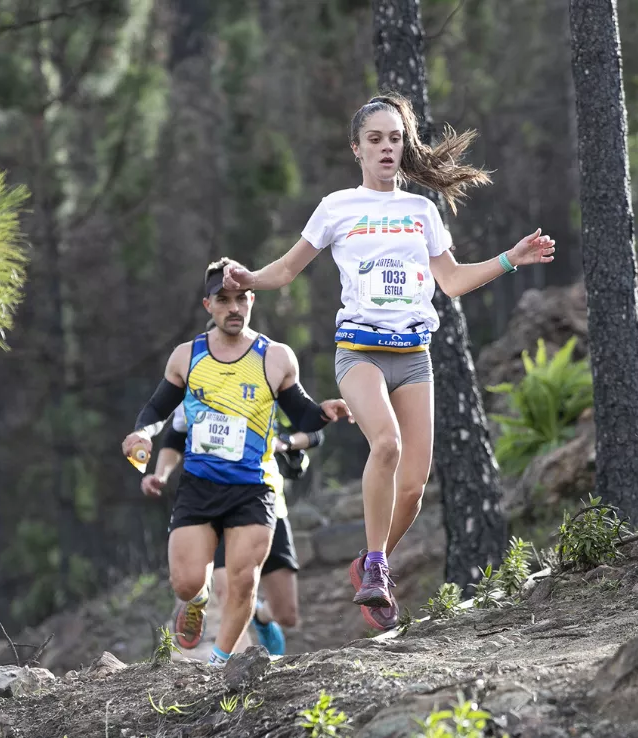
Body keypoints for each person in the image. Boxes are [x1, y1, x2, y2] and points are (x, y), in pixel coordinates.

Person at [221, 92, 555, 630]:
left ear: (404, 147)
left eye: (394, 139)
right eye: (374, 139)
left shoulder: (422, 212)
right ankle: (377, 569)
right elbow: (285, 271)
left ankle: (367, 561)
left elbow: (451, 281)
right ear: (356, 148)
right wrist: (249, 279)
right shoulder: (337, 208)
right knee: (388, 444)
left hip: (413, 356)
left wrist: (508, 260)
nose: (386, 148)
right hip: (360, 352)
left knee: (415, 487)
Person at [122, 257, 352, 666]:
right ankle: (196, 600)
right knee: (185, 580)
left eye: (242, 298)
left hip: (254, 487)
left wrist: (324, 411)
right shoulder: (187, 356)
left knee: (244, 583)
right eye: (223, 299)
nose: (234, 307)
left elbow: (301, 413)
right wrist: (143, 432)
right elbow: (159, 409)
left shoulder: (275, 357)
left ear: (251, 301)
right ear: (207, 305)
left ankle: (220, 666)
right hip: (199, 484)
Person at [142, 406, 321, 656]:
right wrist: (160, 474)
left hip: (267, 503)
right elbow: (175, 433)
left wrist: (284, 442)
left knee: (286, 614)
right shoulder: (198, 380)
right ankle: (239, 672)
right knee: (229, 593)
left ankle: (260, 614)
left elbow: (314, 432)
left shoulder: (272, 374)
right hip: (216, 505)